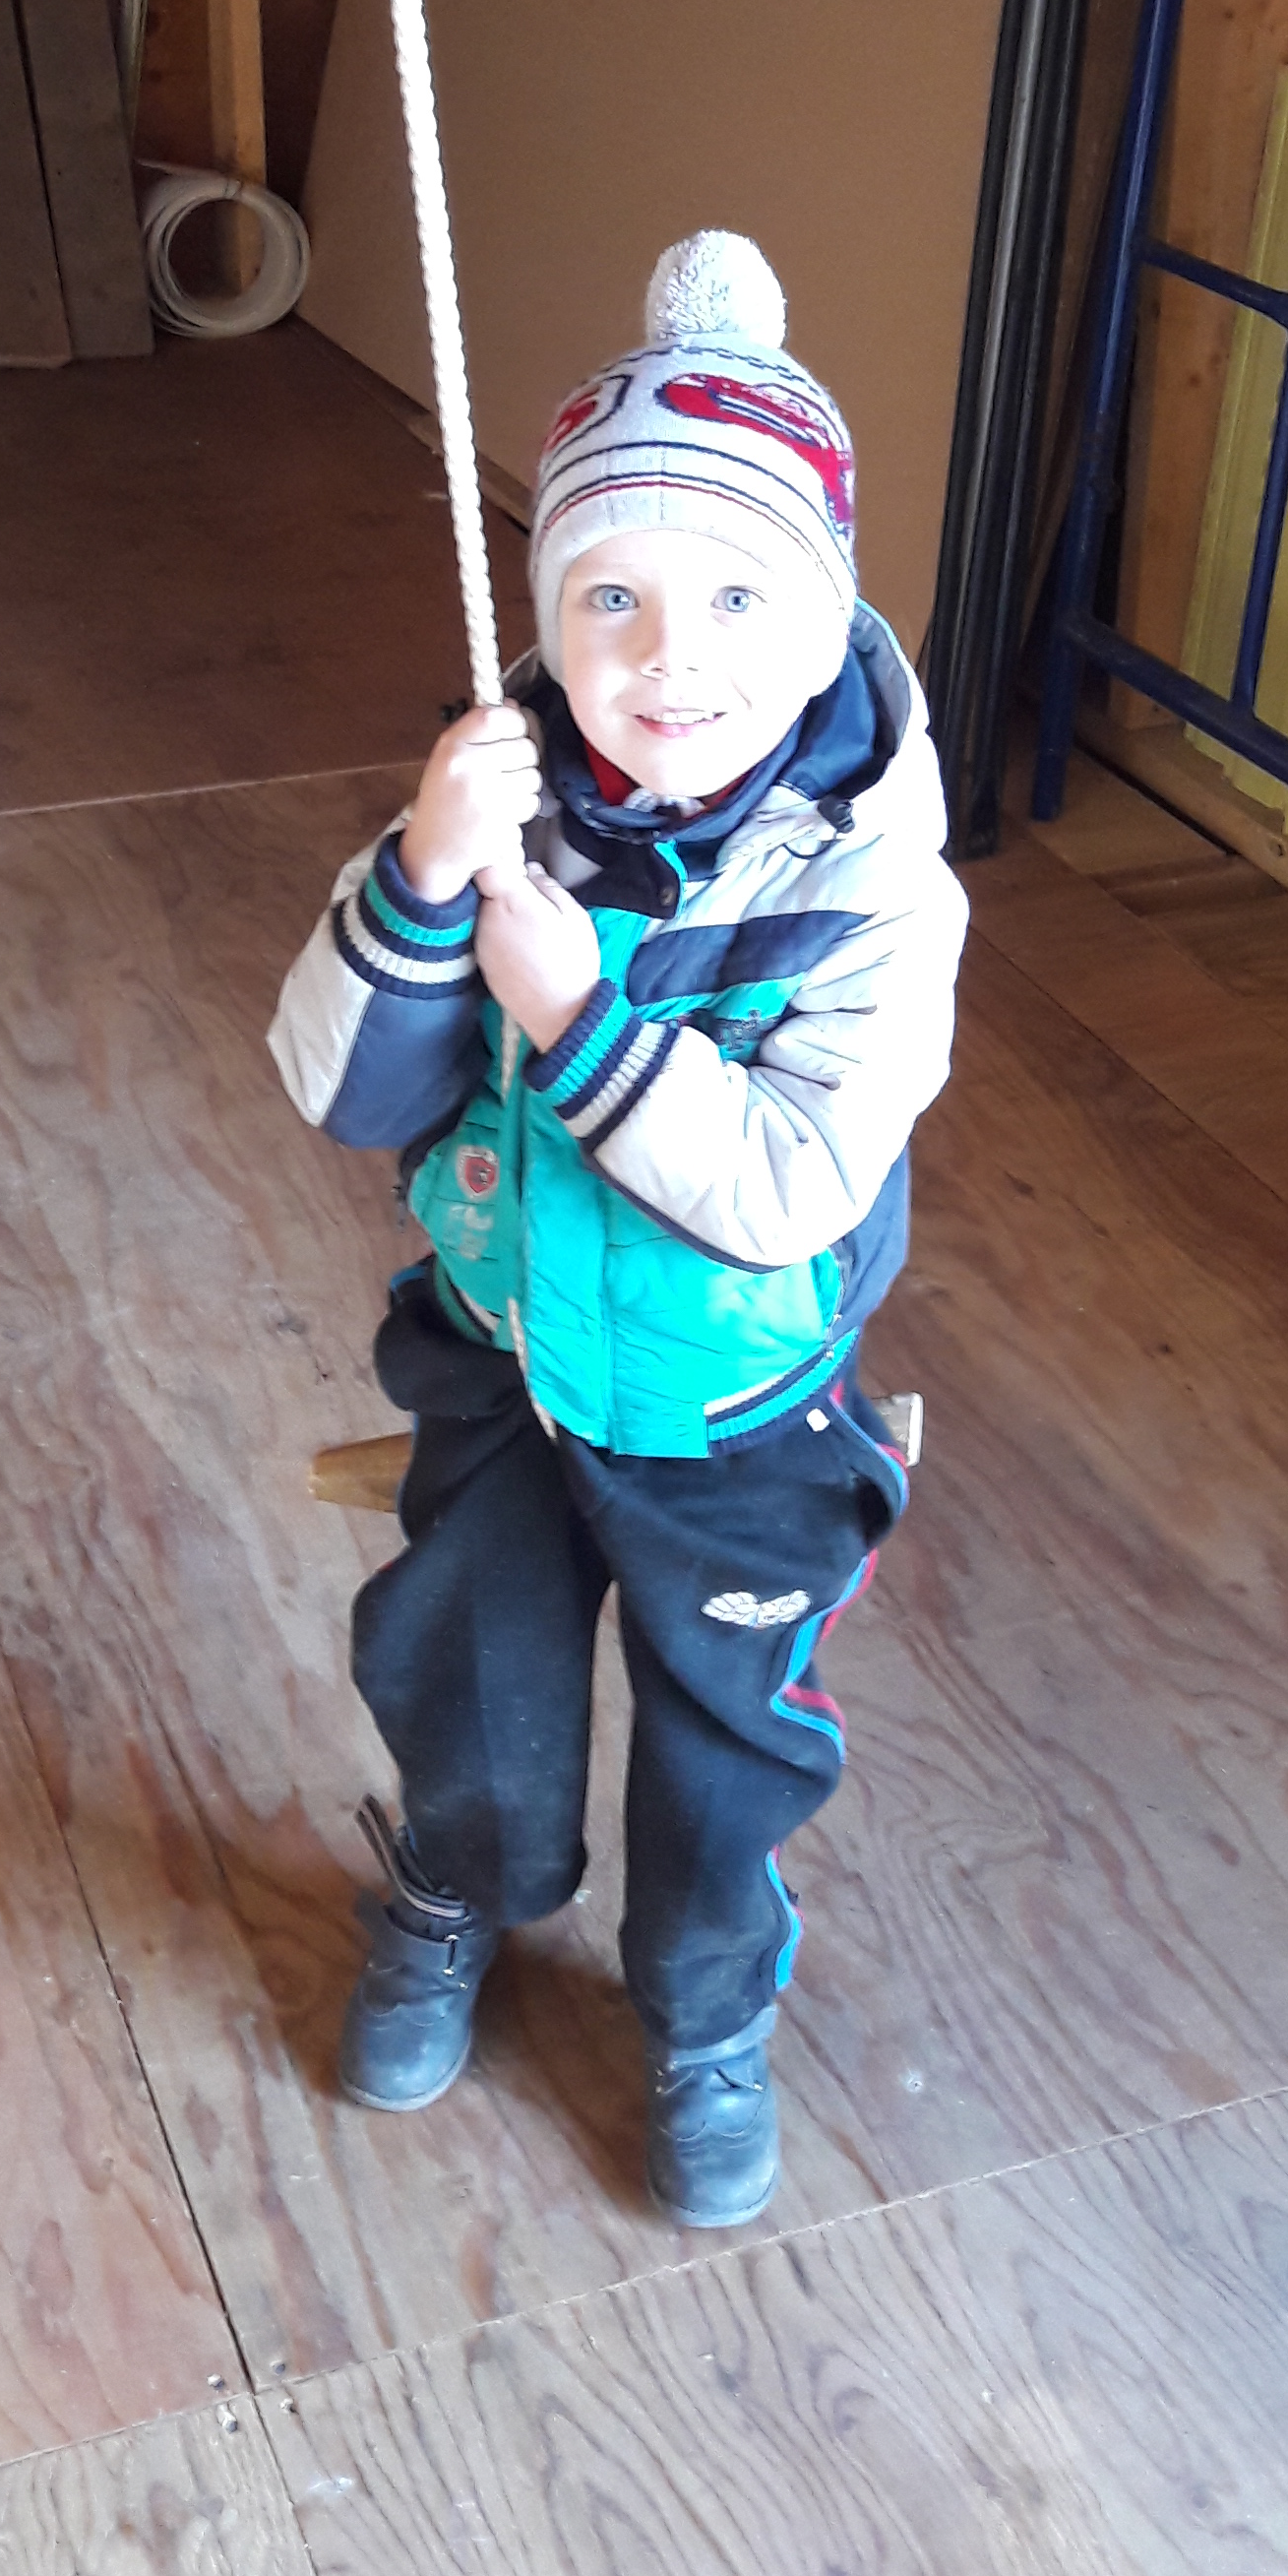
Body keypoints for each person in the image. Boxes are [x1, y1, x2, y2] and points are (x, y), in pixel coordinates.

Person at [269, 232, 968, 2224]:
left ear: (826, 620)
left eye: (739, 595)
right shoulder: (499, 822)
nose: (672, 655)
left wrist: (579, 1020)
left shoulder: (875, 897)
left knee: (730, 1745)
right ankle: (453, 1886)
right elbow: (342, 1092)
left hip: (739, 1413)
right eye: (611, 597)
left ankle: (705, 2012)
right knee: (462, 1666)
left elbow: (789, 1186)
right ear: (553, 624)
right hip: (505, 1359)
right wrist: (425, 879)